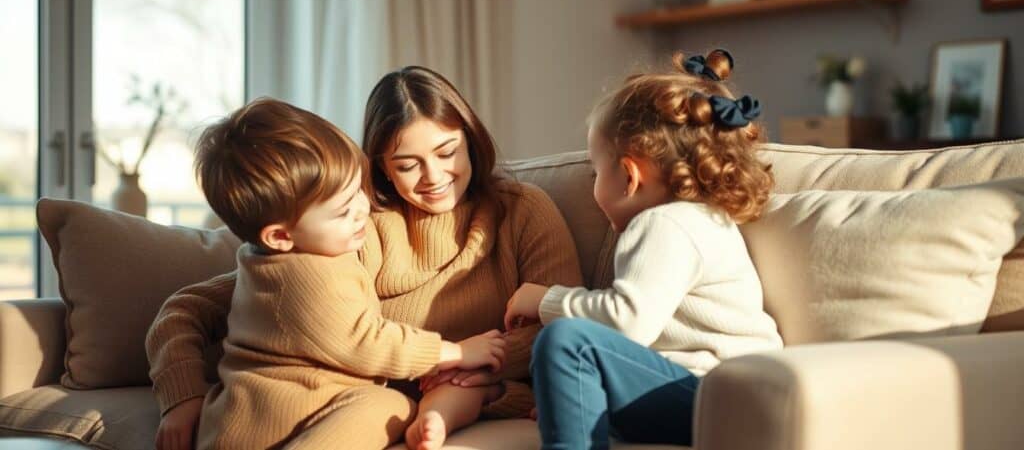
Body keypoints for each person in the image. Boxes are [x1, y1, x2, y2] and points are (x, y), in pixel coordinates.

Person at [145, 67, 583, 450]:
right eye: (408, 164)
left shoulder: (524, 211)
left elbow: (567, 326)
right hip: (346, 404)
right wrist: (182, 396)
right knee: (387, 405)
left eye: (447, 152)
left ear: (470, 139)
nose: (434, 177)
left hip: (470, 389)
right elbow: (195, 307)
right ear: (380, 167)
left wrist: (479, 363)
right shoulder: (349, 229)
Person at [185, 98, 505, 449]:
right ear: (279, 236)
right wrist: (454, 353)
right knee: (389, 405)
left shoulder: (261, 261)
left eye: (358, 192)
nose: (362, 212)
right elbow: (366, 342)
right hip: (278, 421)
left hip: (236, 419)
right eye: (341, 212)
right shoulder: (309, 275)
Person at [505, 49, 784, 448]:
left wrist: (546, 300)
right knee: (578, 361)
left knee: (565, 341)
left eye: (595, 172)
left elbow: (628, 322)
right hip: (719, 397)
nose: (593, 184)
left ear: (629, 175)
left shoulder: (664, 224)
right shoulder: (701, 219)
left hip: (720, 397)